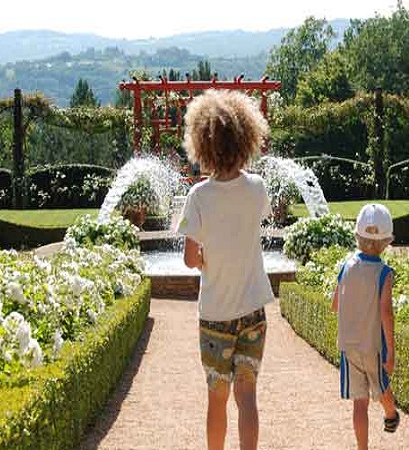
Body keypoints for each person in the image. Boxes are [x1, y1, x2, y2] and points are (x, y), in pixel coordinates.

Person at [178, 89, 275, 450]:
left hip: (215, 313)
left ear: (202, 144)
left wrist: (206, 259)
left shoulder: (198, 197)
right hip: (253, 310)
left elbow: (190, 259)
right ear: (246, 137)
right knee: (247, 395)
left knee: (217, 397)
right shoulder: (257, 189)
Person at [332, 203, 400, 449]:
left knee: (359, 403)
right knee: (381, 386)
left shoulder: (345, 267)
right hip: (373, 346)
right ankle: (391, 415)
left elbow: (335, 304)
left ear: (357, 236)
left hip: (348, 345)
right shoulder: (384, 273)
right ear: (387, 241)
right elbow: (386, 313)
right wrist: (391, 351)